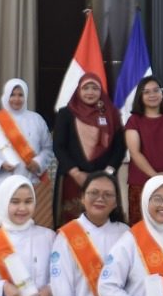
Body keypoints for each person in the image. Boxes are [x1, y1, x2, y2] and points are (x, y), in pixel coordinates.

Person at [54, 72, 127, 225]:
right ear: (78, 91)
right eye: (85, 88)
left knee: (103, 218)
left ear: (101, 92)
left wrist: (107, 173)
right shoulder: (66, 113)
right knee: (72, 222)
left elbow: (120, 146)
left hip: (104, 179)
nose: (90, 92)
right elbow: (59, 146)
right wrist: (76, 173)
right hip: (73, 178)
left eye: (95, 88)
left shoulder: (111, 114)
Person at [0, 79, 55, 215]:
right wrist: (0, 164)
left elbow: (48, 148)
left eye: (20, 95)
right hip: (1, 184)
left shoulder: (37, 120)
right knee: (1, 227)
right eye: (13, 95)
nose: (17, 99)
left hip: (31, 183)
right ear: (6, 95)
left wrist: (38, 162)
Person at [123, 76, 163, 224]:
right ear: (140, 96)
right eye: (147, 92)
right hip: (141, 182)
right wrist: (155, 176)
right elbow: (135, 153)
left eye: (156, 90)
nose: (152, 95)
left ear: (162, 93)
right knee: (141, 226)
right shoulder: (134, 120)